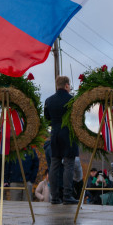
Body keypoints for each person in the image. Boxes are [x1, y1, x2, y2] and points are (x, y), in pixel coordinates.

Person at [46, 76, 79, 205]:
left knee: (54, 165)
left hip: (54, 135)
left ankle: (54, 197)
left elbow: (47, 118)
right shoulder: (72, 100)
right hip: (68, 134)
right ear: (66, 85)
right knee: (69, 165)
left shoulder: (49, 100)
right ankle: (67, 195)